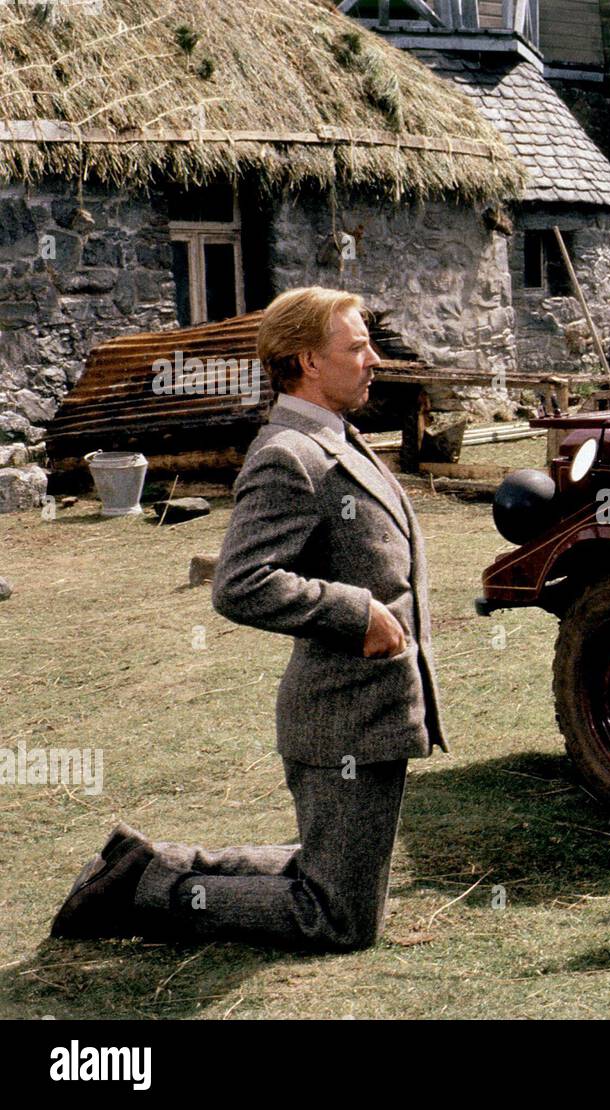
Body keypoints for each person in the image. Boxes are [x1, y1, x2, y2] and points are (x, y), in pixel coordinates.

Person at [50, 287, 447, 950]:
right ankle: (143, 890)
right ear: (308, 363)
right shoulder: (289, 454)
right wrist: (357, 614)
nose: (374, 358)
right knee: (338, 918)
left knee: (331, 877)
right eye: (356, 348)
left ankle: (148, 864)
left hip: (371, 709)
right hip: (341, 718)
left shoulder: (335, 437)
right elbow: (240, 584)